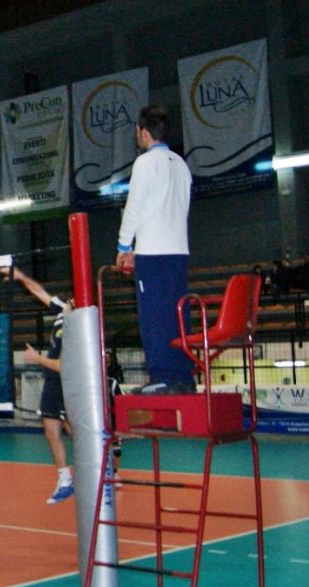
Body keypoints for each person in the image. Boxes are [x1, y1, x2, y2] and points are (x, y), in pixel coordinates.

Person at [115, 104, 194, 395]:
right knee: (178, 313)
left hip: (153, 254)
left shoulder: (145, 163)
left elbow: (134, 208)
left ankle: (161, 375)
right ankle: (183, 377)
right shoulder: (181, 164)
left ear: (144, 132)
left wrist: (124, 246)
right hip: (179, 251)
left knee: (154, 315)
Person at [3, 266, 76, 504]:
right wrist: (22, 277)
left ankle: (97, 469)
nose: (69, 301)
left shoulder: (79, 323)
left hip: (70, 379)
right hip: (54, 379)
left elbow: (66, 366)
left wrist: (38, 359)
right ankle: (65, 480)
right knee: (50, 429)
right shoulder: (62, 312)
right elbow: (39, 292)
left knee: (73, 430)